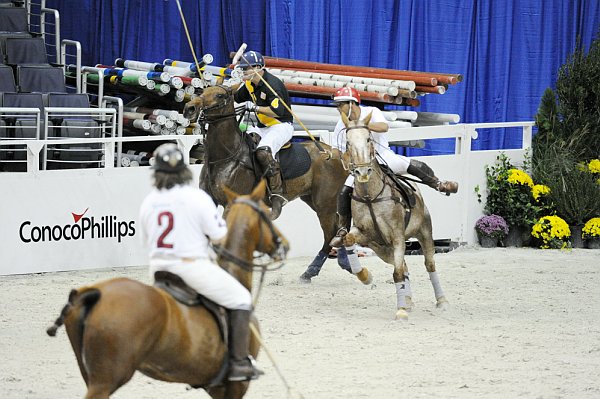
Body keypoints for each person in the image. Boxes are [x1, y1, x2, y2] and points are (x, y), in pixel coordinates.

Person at [139, 143, 262, 382]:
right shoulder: (196, 197)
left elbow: (147, 241)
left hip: (159, 270)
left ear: (157, 172)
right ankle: (238, 363)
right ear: (184, 171)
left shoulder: (149, 201)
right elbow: (219, 237)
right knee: (241, 299)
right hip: (191, 268)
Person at [329, 87, 459, 247]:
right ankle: (342, 229)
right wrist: (331, 154)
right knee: (344, 192)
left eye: (340, 105)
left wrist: (363, 127)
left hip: (383, 157)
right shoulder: (340, 124)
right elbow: (336, 148)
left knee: (411, 164)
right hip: (360, 166)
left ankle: (438, 184)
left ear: (351, 103)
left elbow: (384, 127)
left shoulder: (371, 111)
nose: (338, 108)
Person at [234, 50, 293, 220]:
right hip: (262, 126)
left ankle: (277, 194)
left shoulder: (271, 84)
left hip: (280, 125)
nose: (243, 71)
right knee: (242, 144)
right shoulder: (249, 84)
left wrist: (256, 108)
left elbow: (277, 111)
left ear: (258, 68)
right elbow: (236, 96)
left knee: (263, 152)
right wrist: (226, 82)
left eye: (246, 69)